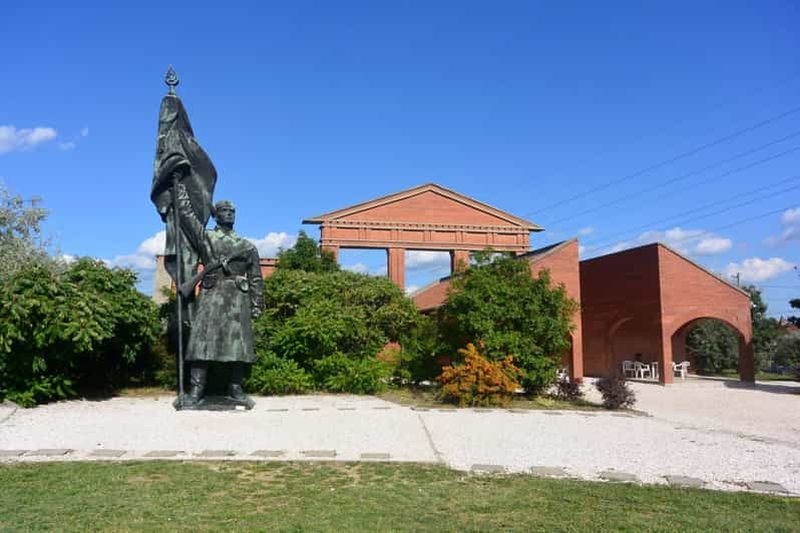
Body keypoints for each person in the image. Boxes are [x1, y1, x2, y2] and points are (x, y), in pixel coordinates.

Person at [184, 200, 264, 407]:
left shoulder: (247, 246)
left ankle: (235, 388)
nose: (229, 214)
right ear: (216, 214)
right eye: (224, 211)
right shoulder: (206, 237)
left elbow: (255, 278)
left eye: (232, 211)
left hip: (237, 297)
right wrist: (180, 191)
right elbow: (187, 217)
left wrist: (257, 304)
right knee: (201, 342)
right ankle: (196, 389)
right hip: (211, 294)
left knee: (239, 347)